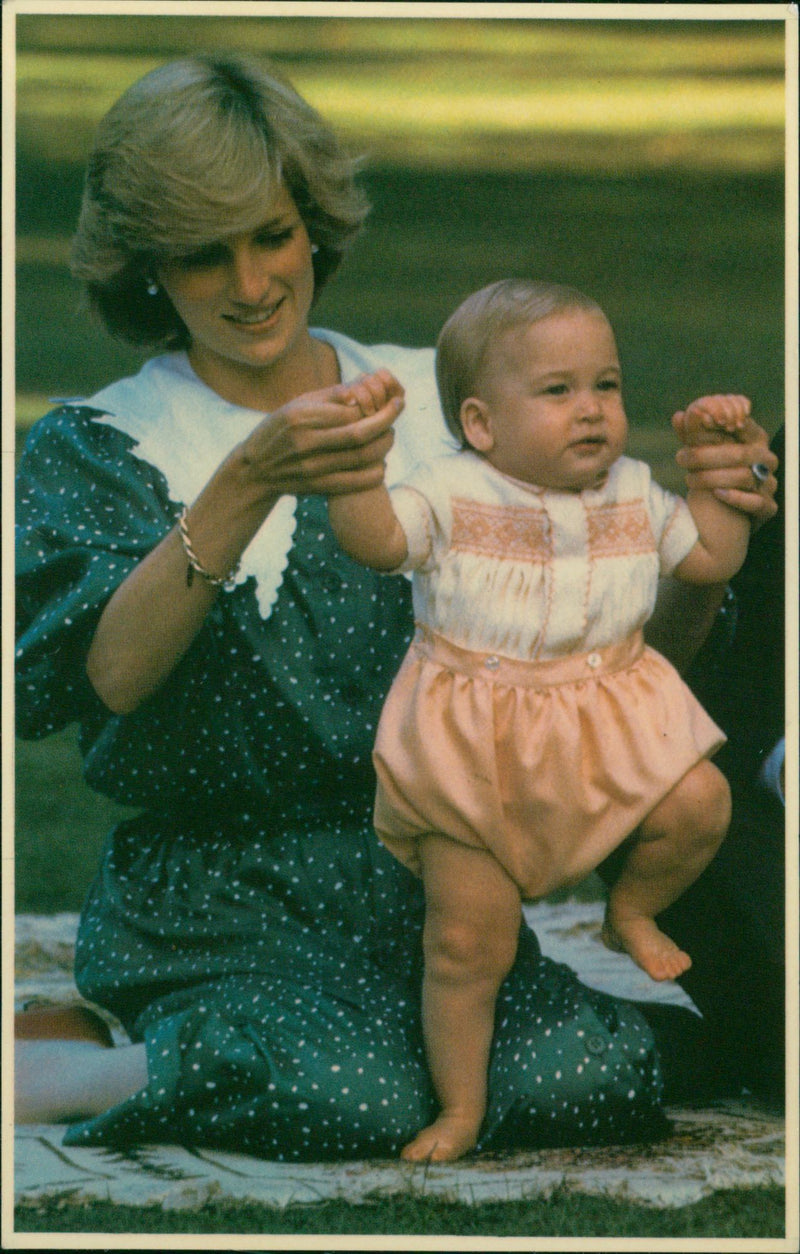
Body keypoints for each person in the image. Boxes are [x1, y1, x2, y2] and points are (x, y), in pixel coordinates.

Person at [14, 54, 779, 1160]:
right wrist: (248, 481)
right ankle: (78, 1056)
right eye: (199, 252)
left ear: (311, 224)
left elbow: (627, 652)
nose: (249, 282)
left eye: (270, 235)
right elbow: (111, 681)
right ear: (143, 267)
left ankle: (231, 1045)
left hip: (422, 877)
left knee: (592, 1076)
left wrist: (707, 545)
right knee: (356, 1096)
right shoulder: (98, 443)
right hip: (213, 892)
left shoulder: (446, 402)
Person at [327, 279, 755, 1161]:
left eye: (607, 384)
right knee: (462, 941)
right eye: (558, 392)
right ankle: (461, 1108)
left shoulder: (633, 490)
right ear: (481, 424)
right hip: (472, 751)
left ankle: (630, 909)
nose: (593, 411)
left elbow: (710, 557)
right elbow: (373, 541)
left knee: (700, 800)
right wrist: (353, 471)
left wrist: (719, 475)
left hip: (608, 732)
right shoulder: (448, 493)